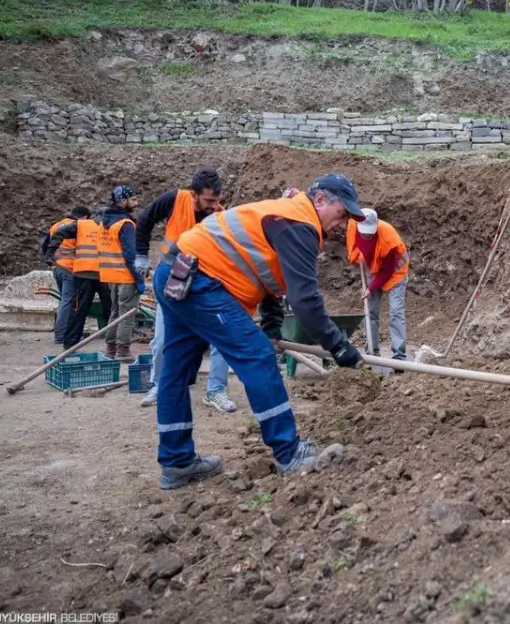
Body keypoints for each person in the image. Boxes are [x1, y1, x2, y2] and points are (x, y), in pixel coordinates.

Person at [151, 174, 366, 489]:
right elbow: (305, 300)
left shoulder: (288, 215)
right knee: (257, 356)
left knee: (176, 370)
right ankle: (289, 452)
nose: (343, 223)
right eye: (342, 213)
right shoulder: (299, 223)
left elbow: (266, 273)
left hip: (177, 271)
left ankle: (176, 462)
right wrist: (340, 347)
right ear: (321, 200)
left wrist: (271, 326)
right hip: (200, 281)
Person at [135, 168, 235, 412]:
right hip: (171, 278)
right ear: (194, 194)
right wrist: (140, 255)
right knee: (161, 340)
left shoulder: (220, 216)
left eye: (217, 200)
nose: (214, 205)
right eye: (209, 200)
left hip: (203, 283)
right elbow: (145, 220)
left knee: (221, 338)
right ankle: (159, 384)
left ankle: (216, 390)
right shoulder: (175, 199)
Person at [346, 208, 410, 361]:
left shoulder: (389, 237)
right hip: (372, 269)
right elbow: (354, 247)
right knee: (370, 312)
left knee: (396, 312)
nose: (367, 235)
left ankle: (399, 357)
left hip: (395, 272)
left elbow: (387, 272)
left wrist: (371, 288)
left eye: (370, 233)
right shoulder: (352, 225)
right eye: (364, 233)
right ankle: (372, 353)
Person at [46, 203, 111, 350]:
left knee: (78, 311)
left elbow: (59, 233)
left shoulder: (82, 225)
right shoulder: (112, 226)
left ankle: (69, 345)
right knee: (110, 311)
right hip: (102, 275)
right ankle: (114, 346)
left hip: (85, 275)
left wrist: (50, 252)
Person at [98, 185, 146, 363]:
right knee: (127, 314)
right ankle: (123, 351)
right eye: (133, 199)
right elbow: (130, 255)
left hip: (110, 276)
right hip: (125, 276)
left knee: (115, 312)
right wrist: (139, 278)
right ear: (122, 201)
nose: (136, 203)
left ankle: (111, 348)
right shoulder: (125, 224)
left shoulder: (105, 222)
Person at [42, 205, 91, 346]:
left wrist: (52, 264)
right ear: (84, 217)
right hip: (70, 268)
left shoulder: (56, 225)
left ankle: (64, 331)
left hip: (57, 267)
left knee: (64, 300)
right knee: (68, 301)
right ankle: (61, 336)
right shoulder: (80, 226)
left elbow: (45, 247)